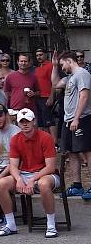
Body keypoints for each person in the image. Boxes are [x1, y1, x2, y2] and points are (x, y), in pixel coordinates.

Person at [0, 109, 60, 238]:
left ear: (34, 121)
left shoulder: (45, 137)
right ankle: (10, 224)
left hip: (45, 174)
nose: (25, 124)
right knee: (1, 184)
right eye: (22, 122)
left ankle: (51, 225)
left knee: (43, 183)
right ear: (18, 123)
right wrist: (18, 179)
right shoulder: (15, 139)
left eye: (28, 121)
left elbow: (50, 167)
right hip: (24, 173)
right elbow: (13, 165)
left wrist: (32, 180)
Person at [52, 50, 91, 200]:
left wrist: (76, 118)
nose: (62, 68)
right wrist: (55, 66)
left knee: (87, 151)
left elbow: (84, 96)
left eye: (62, 64)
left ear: (69, 60)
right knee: (72, 152)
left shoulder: (82, 74)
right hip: (68, 120)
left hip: (82, 119)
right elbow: (55, 84)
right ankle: (77, 185)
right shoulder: (70, 77)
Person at [33, 48, 56, 138]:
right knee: (42, 122)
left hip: (47, 97)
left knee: (50, 121)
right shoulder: (37, 68)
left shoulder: (50, 66)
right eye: (37, 55)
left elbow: (54, 82)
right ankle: (46, 141)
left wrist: (51, 97)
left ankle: (54, 143)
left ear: (46, 55)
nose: (39, 57)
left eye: (41, 54)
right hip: (38, 97)